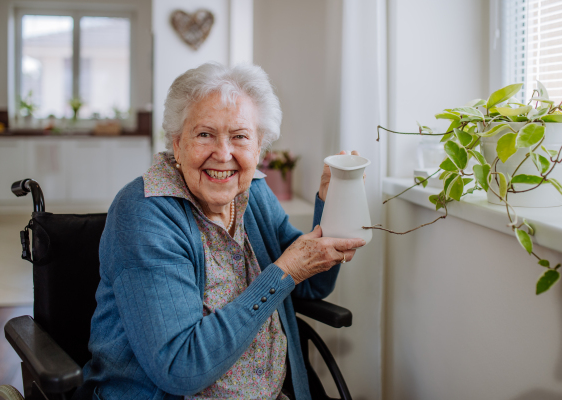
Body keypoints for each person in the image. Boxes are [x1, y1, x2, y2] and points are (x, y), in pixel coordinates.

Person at [73, 62, 366, 400]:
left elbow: (312, 285)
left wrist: (333, 208)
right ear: (177, 143)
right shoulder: (144, 212)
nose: (223, 154)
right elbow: (181, 368)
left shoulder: (252, 192)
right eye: (205, 134)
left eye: (240, 136)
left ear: (259, 148)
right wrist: (283, 272)